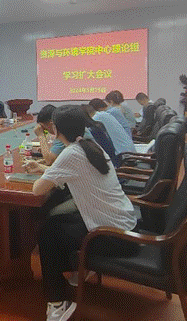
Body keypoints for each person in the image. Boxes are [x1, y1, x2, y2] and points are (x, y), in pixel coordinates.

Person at [28, 106, 137, 321]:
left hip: (113, 237)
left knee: (47, 232)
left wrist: (45, 174)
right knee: (57, 223)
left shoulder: (71, 153)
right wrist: (44, 169)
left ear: (56, 129)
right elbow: (74, 171)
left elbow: (37, 190)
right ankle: (73, 272)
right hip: (124, 226)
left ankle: (57, 302)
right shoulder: (89, 146)